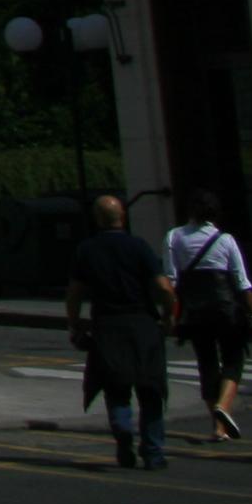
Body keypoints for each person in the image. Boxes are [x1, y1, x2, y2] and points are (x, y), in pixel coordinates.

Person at [65, 192, 176, 468]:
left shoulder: (87, 249)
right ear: (122, 217)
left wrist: (75, 323)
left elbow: (75, 293)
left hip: (107, 325)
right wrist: (169, 315)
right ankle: (153, 451)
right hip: (142, 323)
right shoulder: (138, 246)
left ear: (97, 219)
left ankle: (123, 428)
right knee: (150, 390)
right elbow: (163, 287)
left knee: (116, 387)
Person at [165, 192, 252, 441]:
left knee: (206, 363)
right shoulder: (225, 239)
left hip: (195, 312)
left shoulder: (175, 236)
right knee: (233, 360)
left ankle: (218, 427)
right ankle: (223, 407)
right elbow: (242, 282)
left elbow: (171, 280)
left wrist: (171, 316)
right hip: (226, 309)